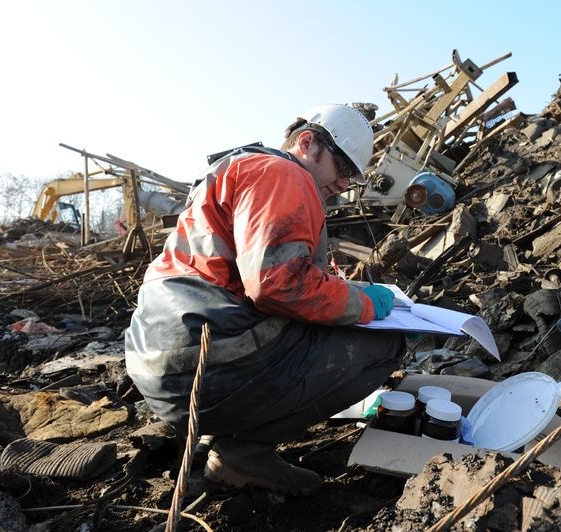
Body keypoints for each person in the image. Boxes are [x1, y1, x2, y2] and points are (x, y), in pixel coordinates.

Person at [124, 104, 405, 496]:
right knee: (384, 344)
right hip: (205, 364)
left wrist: (329, 285)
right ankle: (242, 452)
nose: (344, 185)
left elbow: (251, 274)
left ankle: (218, 434)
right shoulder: (285, 172)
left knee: (300, 327)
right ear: (307, 143)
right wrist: (363, 303)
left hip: (161, 360)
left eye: (352, 179)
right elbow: (279, 285)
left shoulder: (241, 170)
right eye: (343, 170)